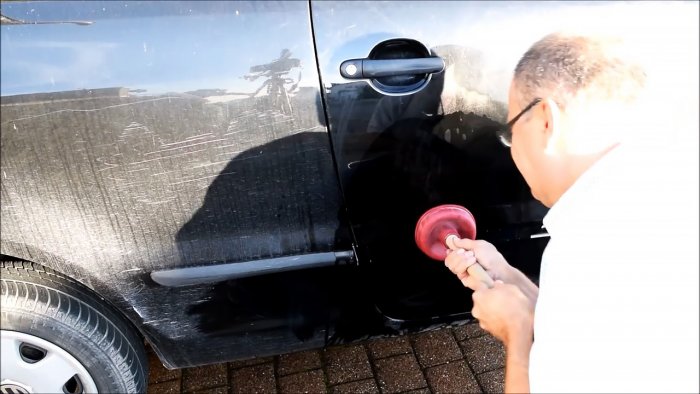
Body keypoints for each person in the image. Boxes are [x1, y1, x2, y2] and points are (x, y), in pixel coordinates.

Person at [444, 32, 699, 393]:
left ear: (547, 120)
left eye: (511, 132)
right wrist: (508, 275)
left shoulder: (586, 255)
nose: (512, 149)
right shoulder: (660, 192)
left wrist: (516, 336)